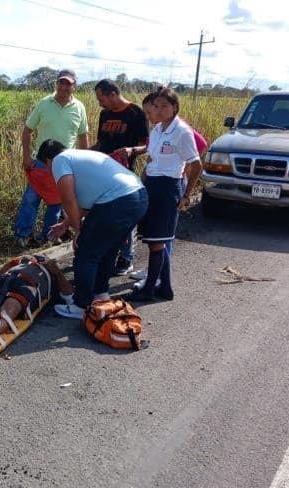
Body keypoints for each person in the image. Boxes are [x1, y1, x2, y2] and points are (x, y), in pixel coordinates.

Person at [40, 140, 148, 319]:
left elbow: (68, 199)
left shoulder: (59, 160)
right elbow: (90, 203)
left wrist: (78, 231)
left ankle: (81, 305)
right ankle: (101, 294)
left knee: (86, 252)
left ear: (48, 160)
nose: (48, 171)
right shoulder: (81, 156)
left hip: (118, 202)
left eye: (46, 167)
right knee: (107, 249)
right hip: (138, 197)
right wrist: (65, 224)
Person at [126, 87, 202, 302]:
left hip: (169, 187)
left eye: (164, 106)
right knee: (154, 239)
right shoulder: (157, 129)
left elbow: (196, 164)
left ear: (174, 108)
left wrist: (186, 195)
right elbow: (151, 159)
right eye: (156, 106)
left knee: (158, 241)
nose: (158, 110)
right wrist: (142, 182)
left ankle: (150, 288)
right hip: (152, 185)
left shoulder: (182, 132)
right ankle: (165, 287)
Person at [13, 69, 89, 247]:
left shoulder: (79, 107)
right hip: (40, 162)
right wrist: (26, 155)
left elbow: (83, 136)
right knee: (31, 199)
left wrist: (83, 164)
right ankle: (21, 235)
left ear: (74, 86)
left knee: (56, 203)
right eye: (61, 83)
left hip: (65, 165)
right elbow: (27, 130)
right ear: (56, 84)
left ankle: (47, 237)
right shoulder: (44, 103)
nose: (64, 87)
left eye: (68, 84)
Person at [91, 79, 149, 276]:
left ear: (113, 95)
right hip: (103, 171)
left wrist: (132, 150)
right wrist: (86, 154)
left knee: (124, 216)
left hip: (124, 173)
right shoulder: (104, 114)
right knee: (103, 212)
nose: (100, 103)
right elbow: (101, 142)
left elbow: (148, 145)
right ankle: (105, 253)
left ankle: (126, 258)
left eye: (101, 98)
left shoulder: (135, 113)